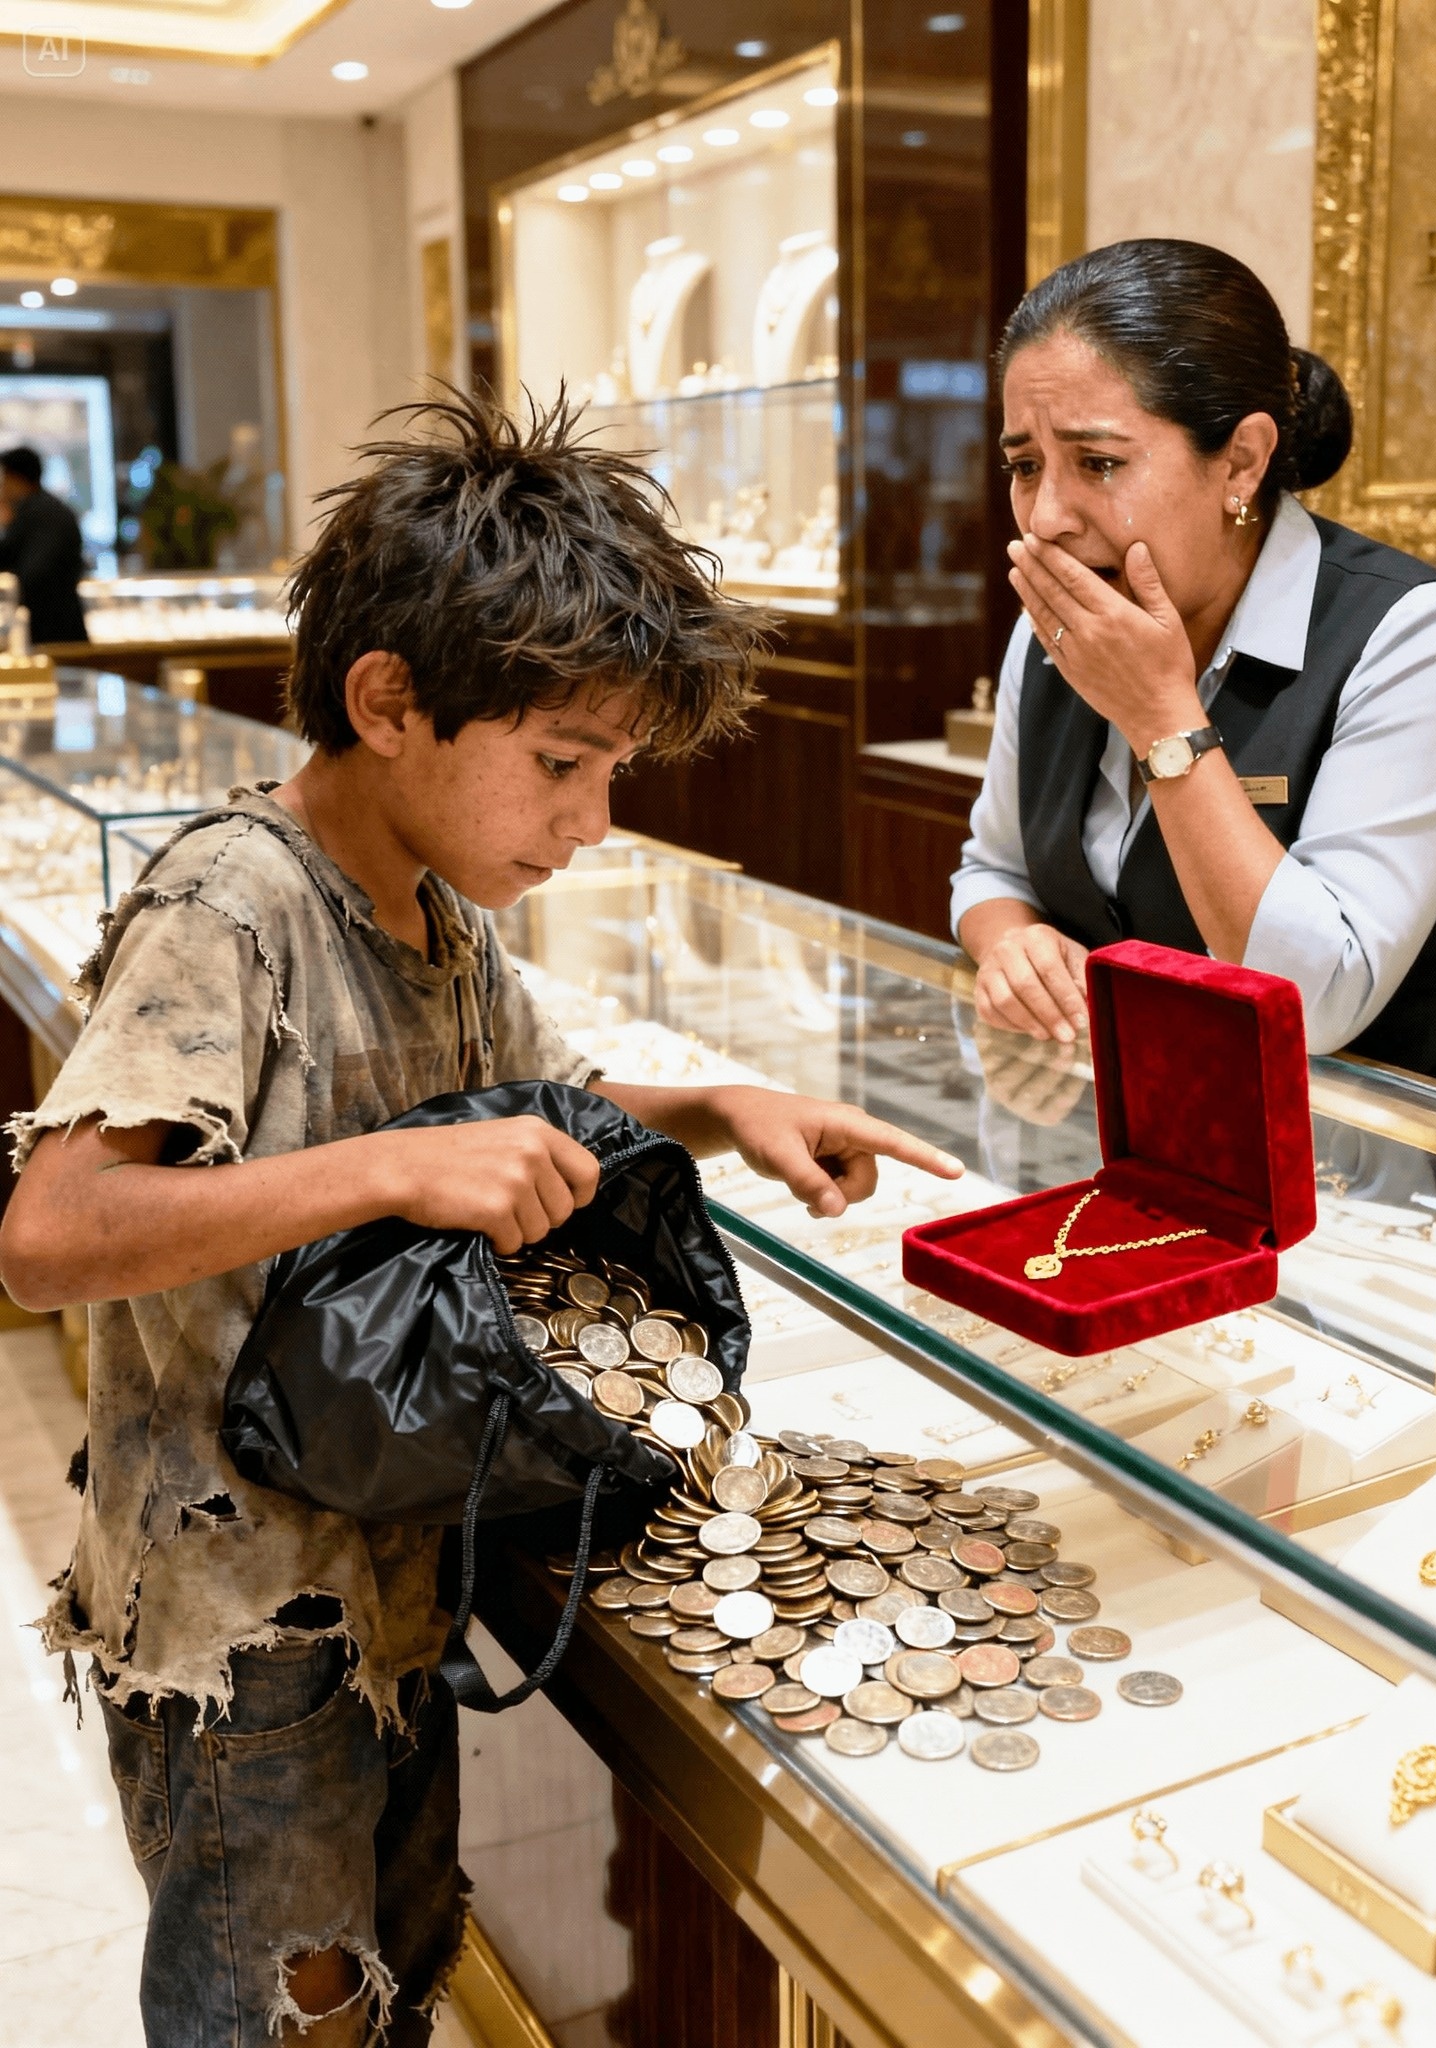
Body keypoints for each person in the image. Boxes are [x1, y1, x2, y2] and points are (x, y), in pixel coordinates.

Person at [0, 392, 962, 2048]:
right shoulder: (232, 901)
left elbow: (547, 1114)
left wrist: (722, 1112)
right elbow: (50, 1228)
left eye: (614, 771)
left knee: (393, 1966)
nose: (591, 821)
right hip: (240, 1635)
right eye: (562, 764)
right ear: (390, 700)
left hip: (390, 1568)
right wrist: (386, 1169)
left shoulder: (437, 908)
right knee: (271, 2008)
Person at [953, 239, 1436, 1107]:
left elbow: (1320, 1002)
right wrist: (1009, 944)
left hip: (1407, 1179)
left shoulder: (1416, 636)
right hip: (1164, 1133)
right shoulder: (1056, 628)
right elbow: (992, 869)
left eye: (1099, 464)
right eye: (1025, 466)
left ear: (1241, 462)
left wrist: (1160, 717)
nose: (1045, 519)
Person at [0, 444, 87, 643]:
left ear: (17, 479)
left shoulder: (41, 514)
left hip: (53, 635)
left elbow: (35, 575)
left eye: (4, 479)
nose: (2, 487)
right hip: (57, 631)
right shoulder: (43, 510)